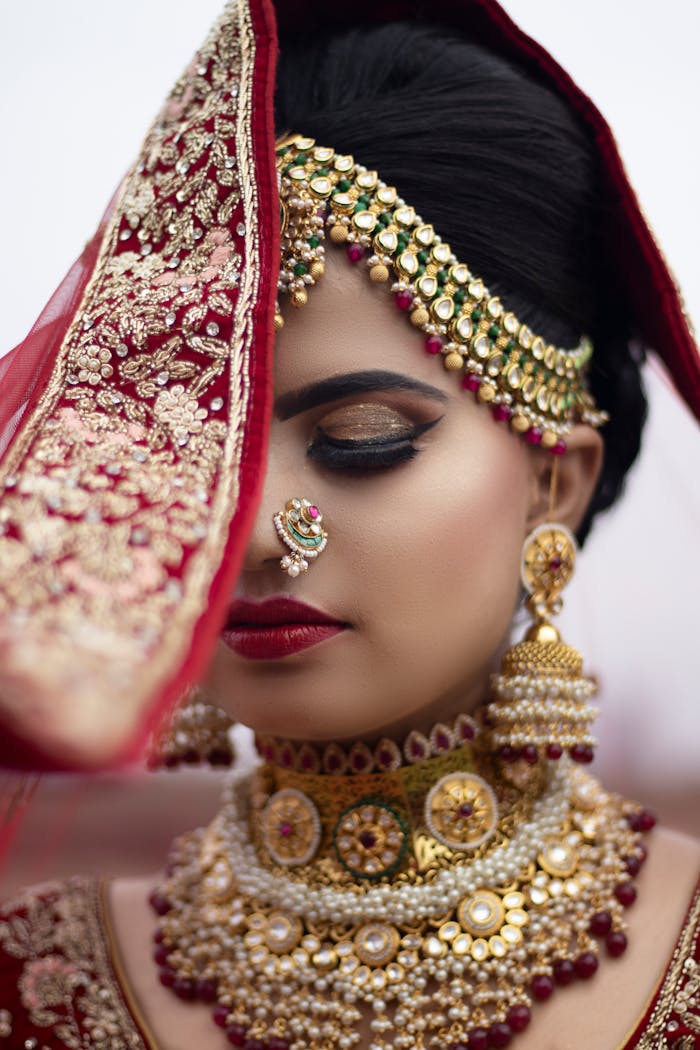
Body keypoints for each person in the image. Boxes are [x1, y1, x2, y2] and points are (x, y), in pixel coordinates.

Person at [0, 1, 698, 1048]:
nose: (252, 532)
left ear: (555, 484)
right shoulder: (34, 977)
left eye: (361, 439)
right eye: (202, 448)